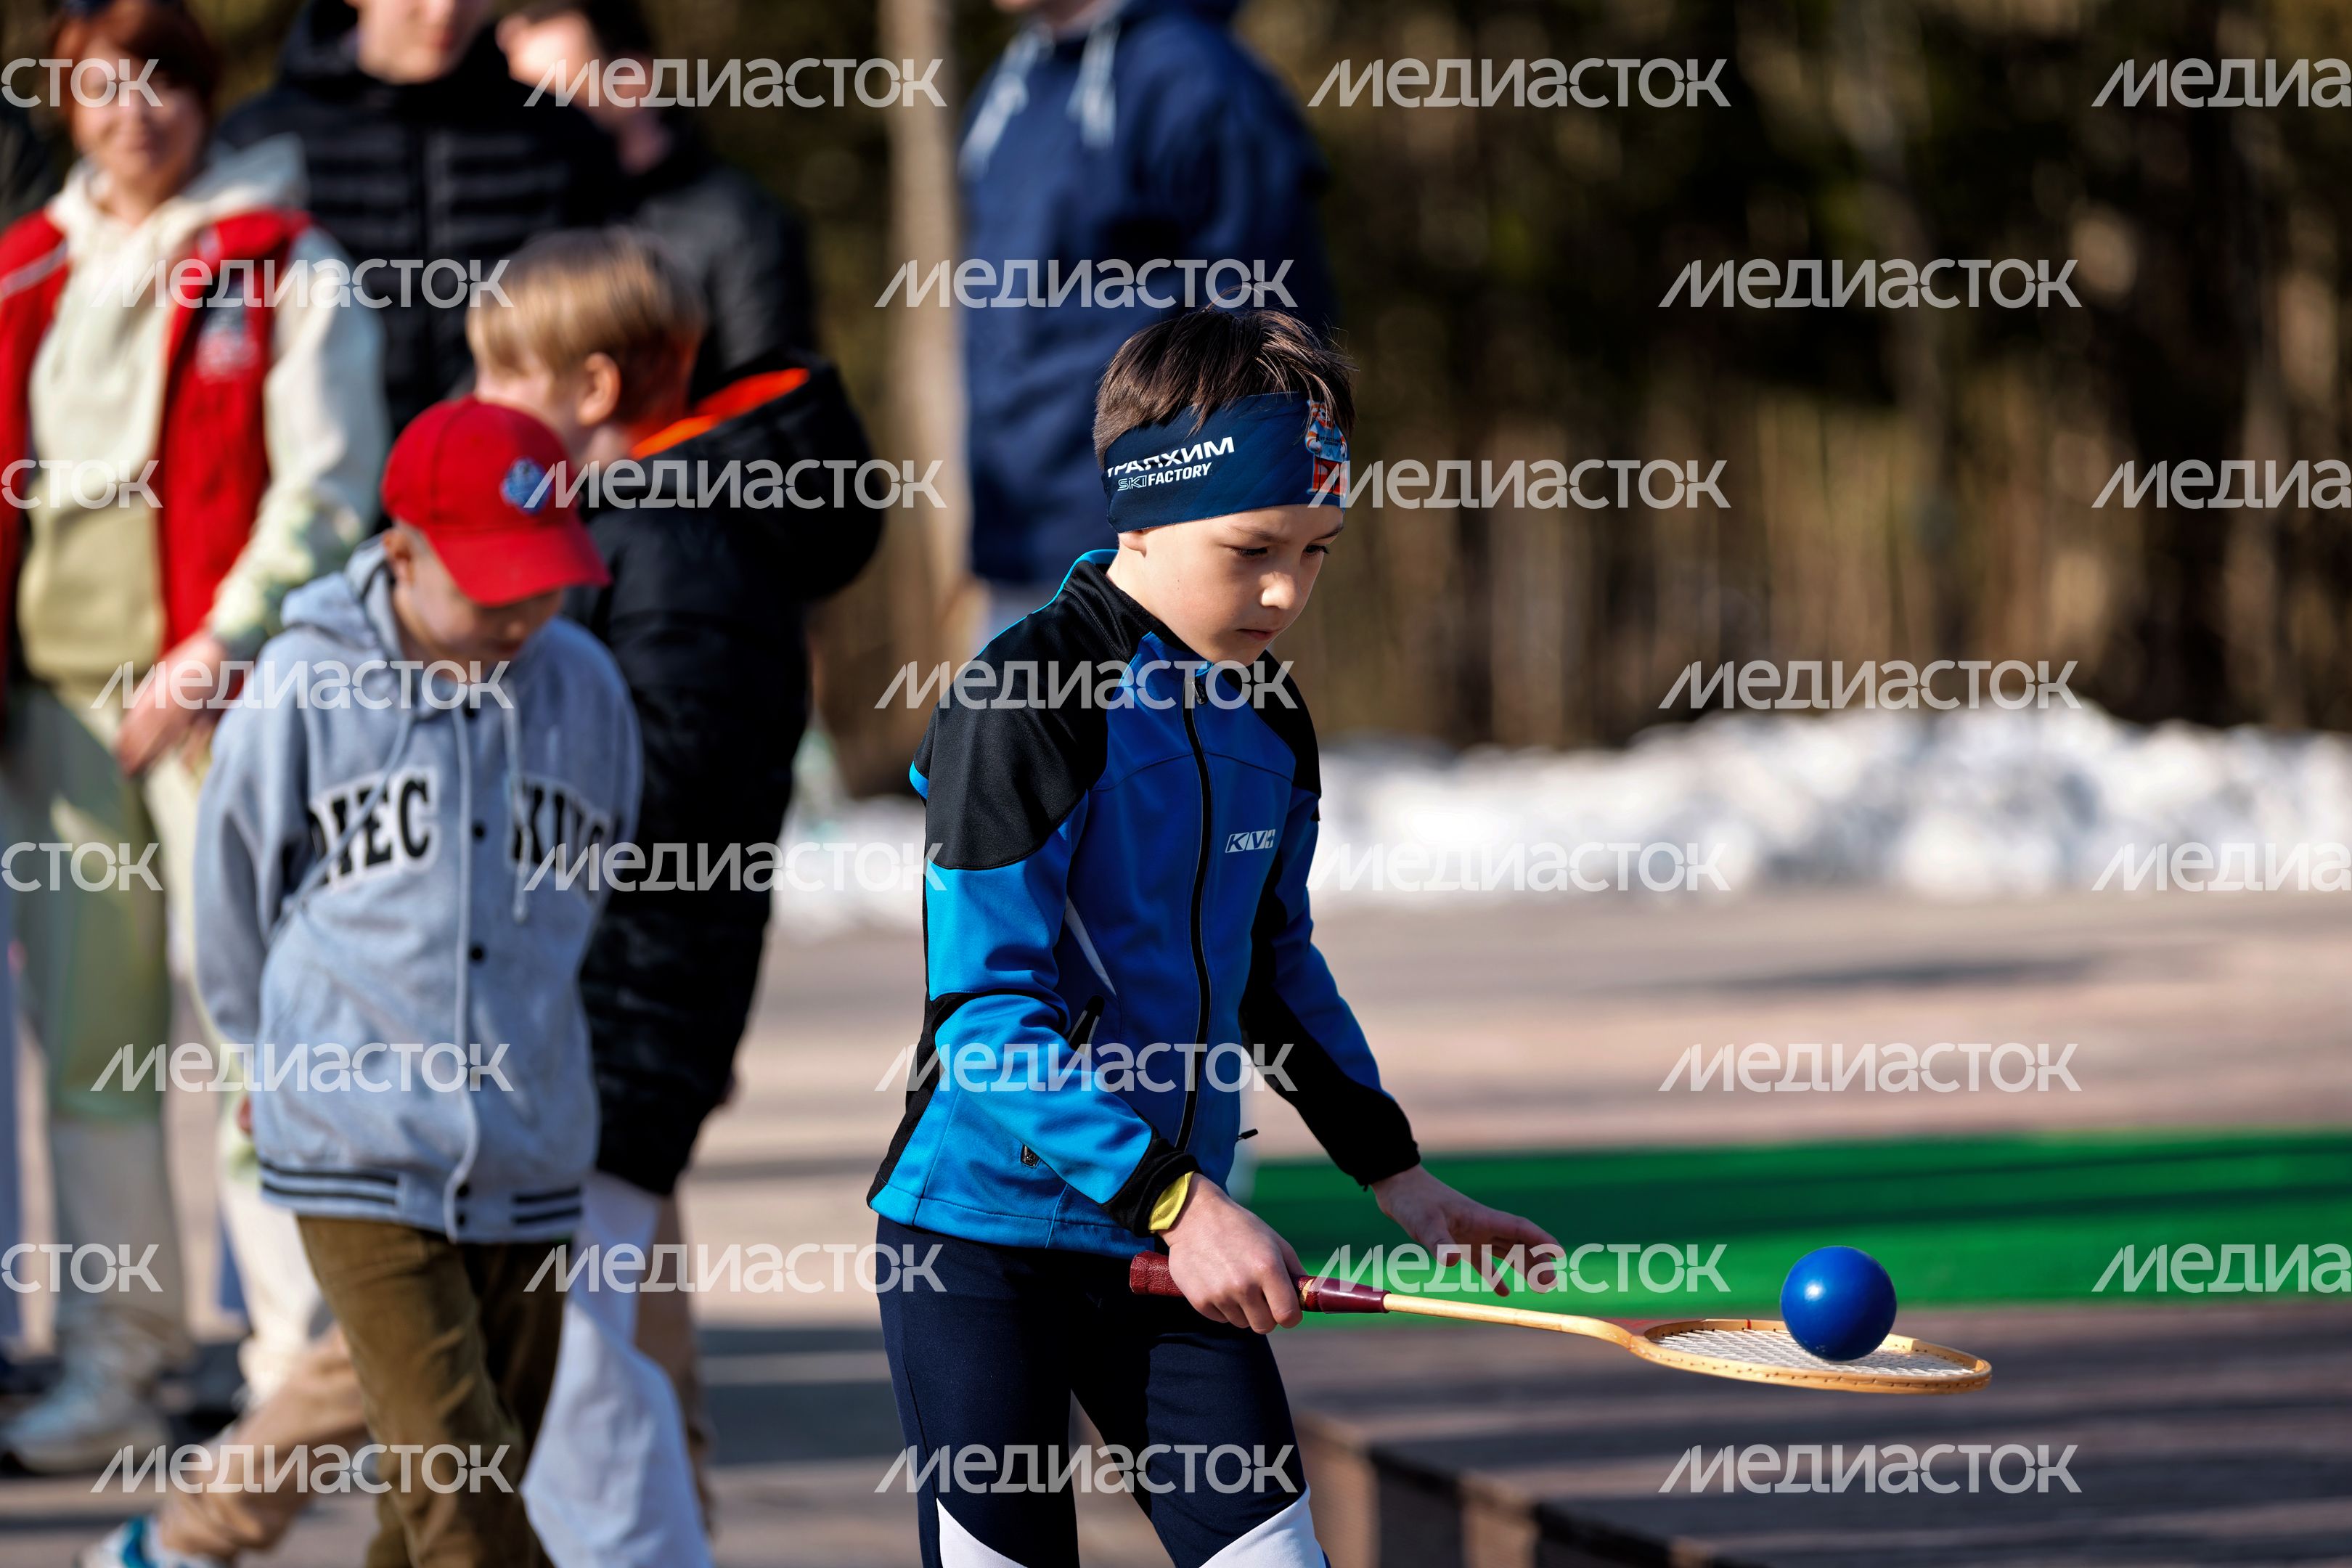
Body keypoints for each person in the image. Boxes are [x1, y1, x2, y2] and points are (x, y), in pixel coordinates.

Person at [867, 307, 1560, 1566]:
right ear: (1139, 513)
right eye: (1252, 550)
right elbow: (984, 1019)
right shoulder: (1024, 703)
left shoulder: (1271, 715)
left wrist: (1397, 1174)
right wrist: (1182, 1203)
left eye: (1318, 551)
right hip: (983, 1243)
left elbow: (1273, 972)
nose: (1288, 591)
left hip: (1170, 1245)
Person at [0, 0, 385, 1473]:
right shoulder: (25, 266)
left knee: (254, 1036)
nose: (137, 109)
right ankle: (120, 1358)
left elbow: (329, 492)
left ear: (206, 96)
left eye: (164, 79)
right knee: (88, 1050)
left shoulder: (287, 263)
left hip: (222, 705)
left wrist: (215, 652)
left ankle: (296, 1372)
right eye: (103, 84)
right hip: (54, 714)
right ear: (64, 99)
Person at [463, 227, 881, 1565]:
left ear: (590, 387)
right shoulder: (649, 518)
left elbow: (673, 775)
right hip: (606, 996)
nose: (481, 406)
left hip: (621, 1003)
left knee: (576, 1359)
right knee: (575, 1343)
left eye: (502, 376)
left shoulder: (673, 530)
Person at [191, 398, 637, 1566]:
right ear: (401, 556)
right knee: (462, 1497)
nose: (525, 613)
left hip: (529, 1144)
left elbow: (592, 884)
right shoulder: (300, 683)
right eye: (494, 586)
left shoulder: (584, 687)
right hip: (353, 1138)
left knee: (450, 1493)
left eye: (547, 581)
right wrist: (256, 1053)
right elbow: (231, 894)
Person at [959, 0, 1339, 638]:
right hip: (1017, 543)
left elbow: (1275, 327)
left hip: (1146, 562)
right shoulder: (1014, 78)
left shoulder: (1197, 79)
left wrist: (1229, 541)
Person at [217, 0, 613, 430]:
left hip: (516, 470)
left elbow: (606, 326)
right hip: (323, 470)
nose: (444, 11)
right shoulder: (256, 148)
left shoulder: (564, 141)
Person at [497, 0, 820, 399]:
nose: (533, 118)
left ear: (631, 80)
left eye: (553, 93)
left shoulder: (743, 227)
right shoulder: (532, 215)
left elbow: (766, 411)